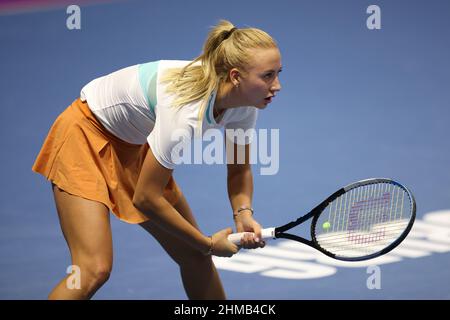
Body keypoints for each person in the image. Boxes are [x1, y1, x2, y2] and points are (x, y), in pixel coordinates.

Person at [32, 19, 282, 300]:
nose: (278, 86)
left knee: (194, 257)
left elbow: (239, 170)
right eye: (268, 76)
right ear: (235, 77)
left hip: (133, 146)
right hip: (84, 135)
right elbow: (146, 199)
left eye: (278, 74)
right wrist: (208, 244)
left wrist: (243, 214)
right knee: (92, 270)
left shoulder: (244, 105)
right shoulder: (185, 111)